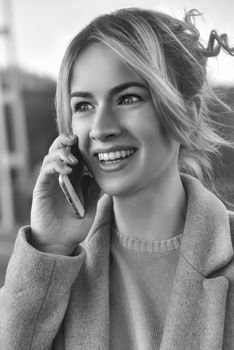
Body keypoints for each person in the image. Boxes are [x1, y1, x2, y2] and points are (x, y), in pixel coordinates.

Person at [0, 7, 234, 350]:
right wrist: (48, 247)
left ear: (187, 112)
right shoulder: (54, 270)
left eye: (128, 98)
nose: (101, 128)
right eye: (83, 105)